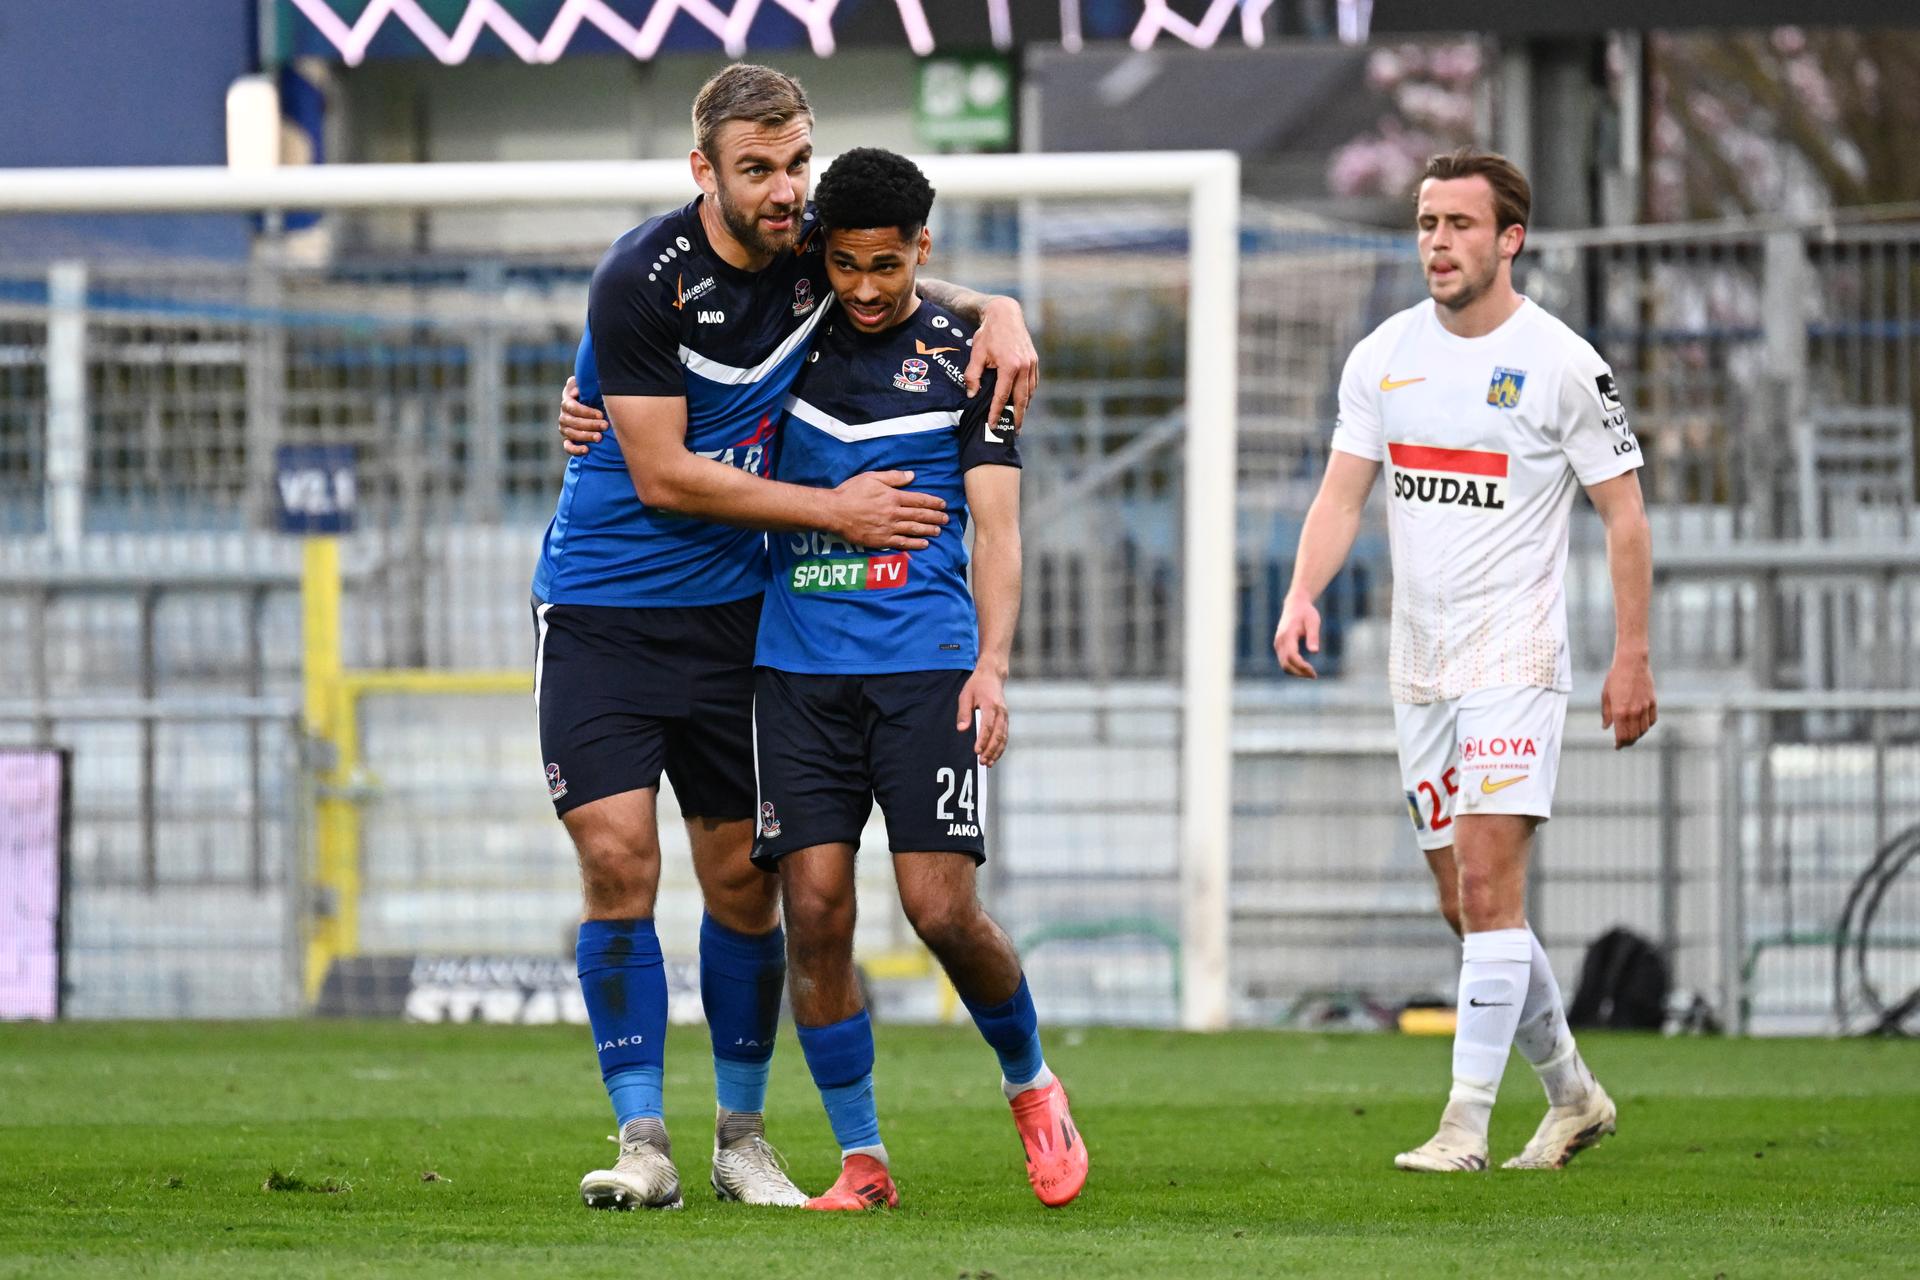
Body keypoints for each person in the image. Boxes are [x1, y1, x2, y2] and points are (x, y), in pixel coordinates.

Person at [535, 63, 1038, 1211]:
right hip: (604, 610)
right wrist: (835, 509)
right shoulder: (640, 277)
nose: (783, 186)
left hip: (736, 619)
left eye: (796, 161)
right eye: (757, 166)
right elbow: (662, 476)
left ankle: (741, 1139)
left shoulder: (811, 254)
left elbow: (896, 272)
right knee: (618, 858)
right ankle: (642, 1139)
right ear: (703, 169)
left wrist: (997, 308)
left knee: (742, 887)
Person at [1272, 147, 1656, 1173]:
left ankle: (1464, 1124)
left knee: (1489, 883)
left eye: (1460, 225)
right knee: (1464, 903)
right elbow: (1343, 493)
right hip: (1421, 661)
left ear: (1509, 239)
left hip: (1516, 655)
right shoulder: (1382, 356)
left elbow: (1625, 516)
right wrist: (1303, 592)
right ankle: (1573, 1094)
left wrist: (1633, 656)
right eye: (1427, 224)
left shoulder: (1564, 363)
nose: (1437, 243)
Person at [749, 147, 1087, 1212]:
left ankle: (1031, 1082)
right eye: (844, 264)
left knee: (940, 908)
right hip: (795, 668)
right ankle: (862, 1159)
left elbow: (998, 528)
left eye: (887, 266)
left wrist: (993, 665)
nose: (863, 288)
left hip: (925, 666)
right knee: (814, 911)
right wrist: (583, 393)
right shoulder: (782, 328)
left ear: (920, 251)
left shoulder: (970, 358)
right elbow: (662, 363)